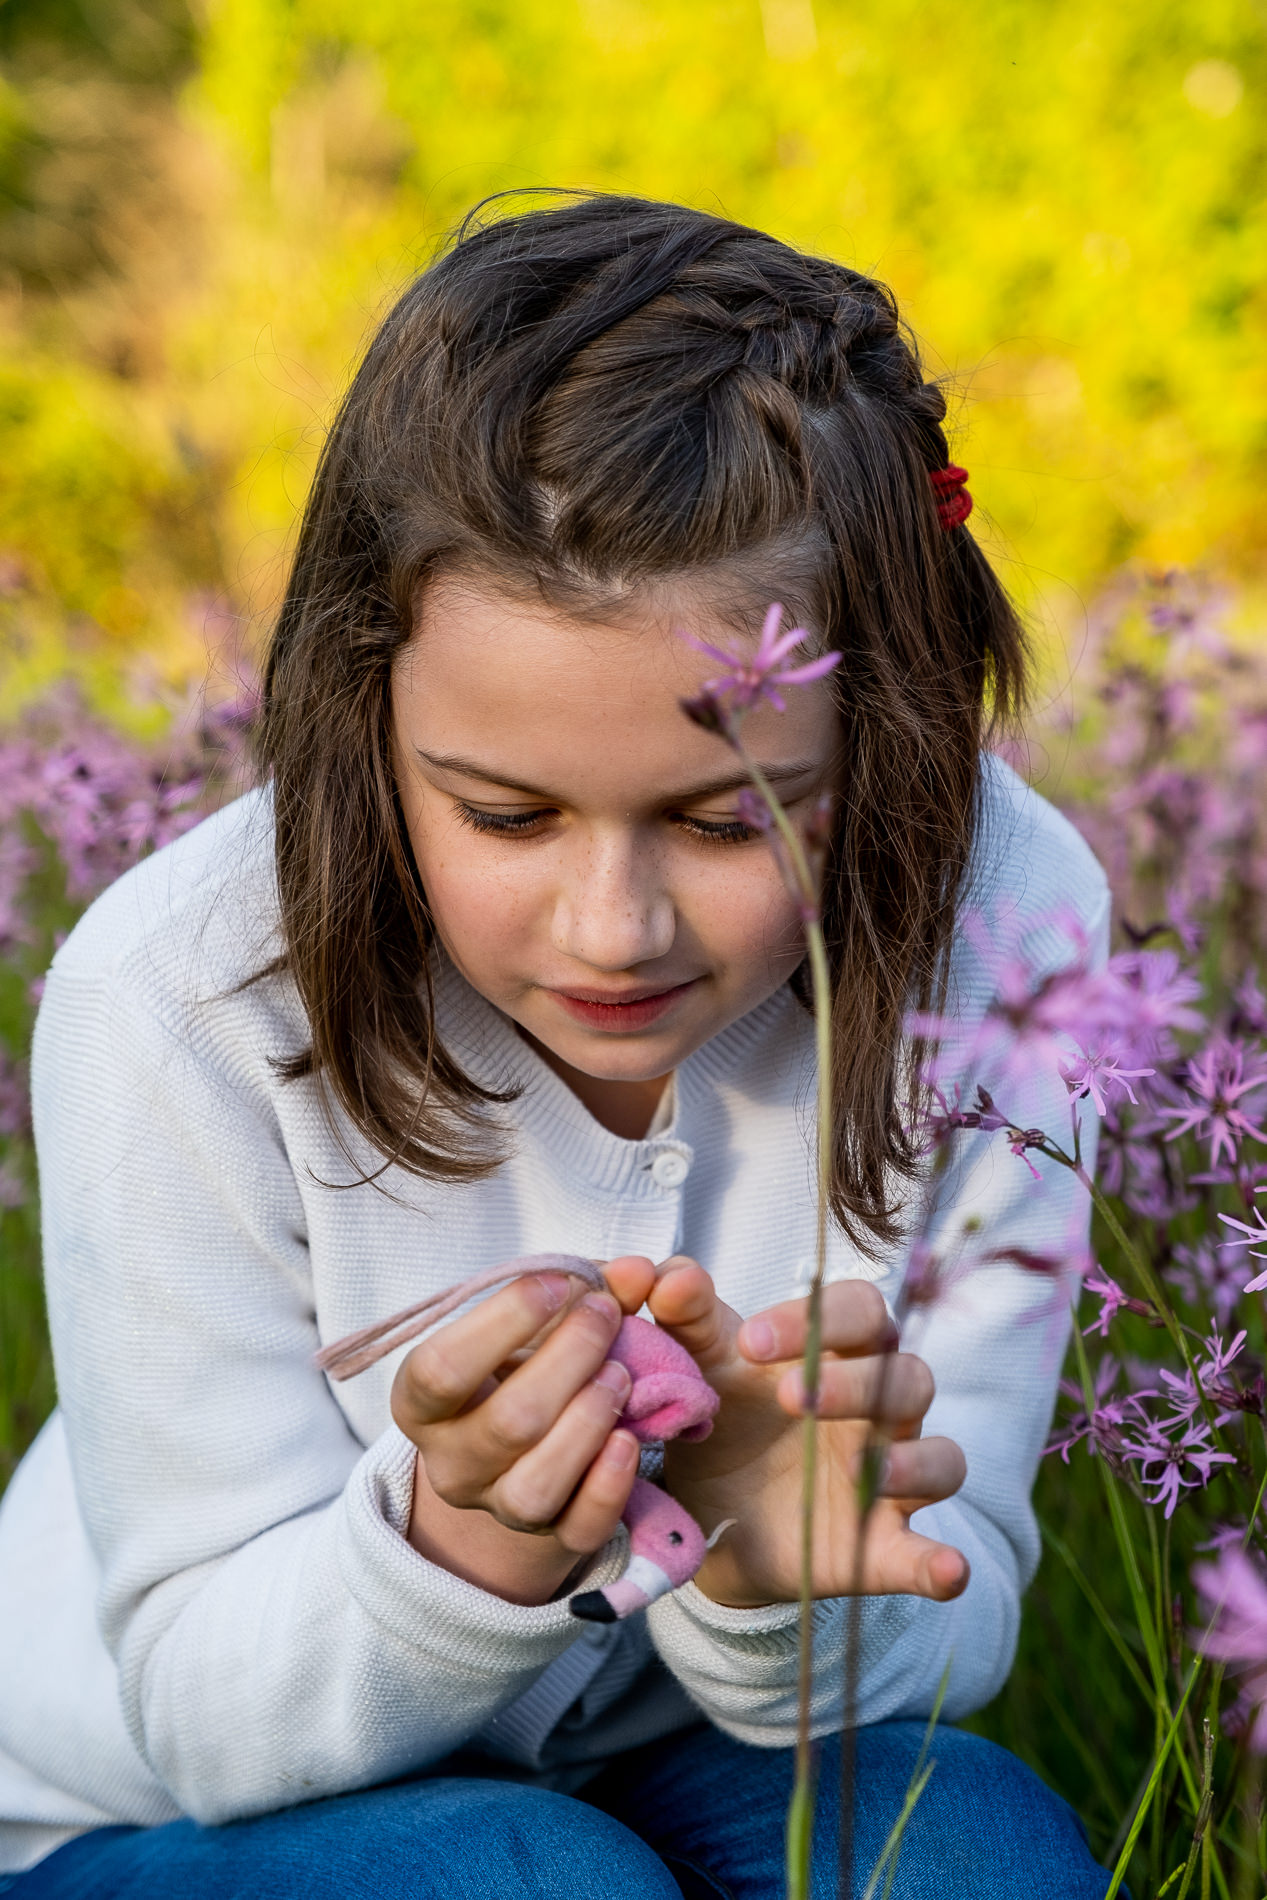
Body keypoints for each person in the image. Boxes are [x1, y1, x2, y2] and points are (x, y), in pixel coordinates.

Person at [0, 194, 1114, 1898]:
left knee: (966, 1853)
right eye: (505, 816)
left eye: (736, 821)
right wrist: (469, 1541)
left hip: (685, 1759)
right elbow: (208, 1721)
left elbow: (952, 1612)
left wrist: (769, 1573)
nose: (616, 928)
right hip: (160, 1810)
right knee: (527, 1880)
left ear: (889, 739)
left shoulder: (1013, 926)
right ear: (362, 715)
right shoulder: (174, 996)